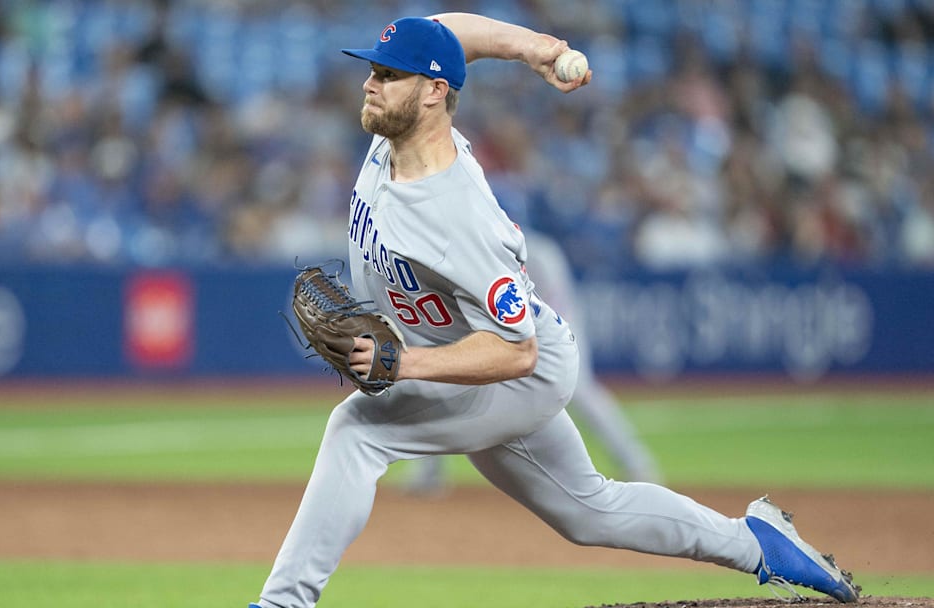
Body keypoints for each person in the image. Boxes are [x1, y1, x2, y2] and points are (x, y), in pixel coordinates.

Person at [249, 13, 859, 608]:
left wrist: (402, 364)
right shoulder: (397, 135)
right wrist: (535, 47)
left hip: (516, 370)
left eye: (388, 75)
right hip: (477, 361)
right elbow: (445, 34)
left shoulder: (458, 215)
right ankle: (759, 545)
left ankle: (282, 603)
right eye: (374, 71)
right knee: (589, 510)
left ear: (434, 94)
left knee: (355, 431)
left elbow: (518, 351)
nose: (370, 84)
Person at [403, 225, 662, 495]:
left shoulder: (539, 253)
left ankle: (637, 464)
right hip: (502, 331)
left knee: (581, 391)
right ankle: (428, 473)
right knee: (445, 382)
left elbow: (552, 308)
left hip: (556, 327)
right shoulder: (472, 248)